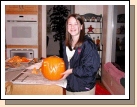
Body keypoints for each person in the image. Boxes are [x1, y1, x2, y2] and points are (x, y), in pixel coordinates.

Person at [61, 13, 100, 95]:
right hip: (70, 85)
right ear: (67, 26)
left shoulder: (88, 44)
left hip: (83, 88)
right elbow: (67, 62)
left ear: (81, 27)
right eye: (70, 24)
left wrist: (72, 70)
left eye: (76, 24)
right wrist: (42, 63)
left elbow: (92, 68)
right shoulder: (65, 43)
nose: (72, 27)